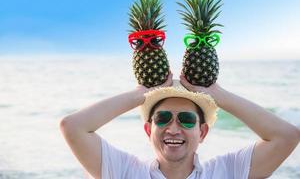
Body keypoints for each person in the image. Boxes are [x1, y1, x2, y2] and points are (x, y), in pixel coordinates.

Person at [60, 72, 300, 179]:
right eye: (162, 118)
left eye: (186, 119)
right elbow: (73, 126)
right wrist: (139, 94)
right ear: (148, 129)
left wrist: (219, 95)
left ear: (202, 132)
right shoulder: (123, 171)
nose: (173, 128)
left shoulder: (226, 171)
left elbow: (287, 136)